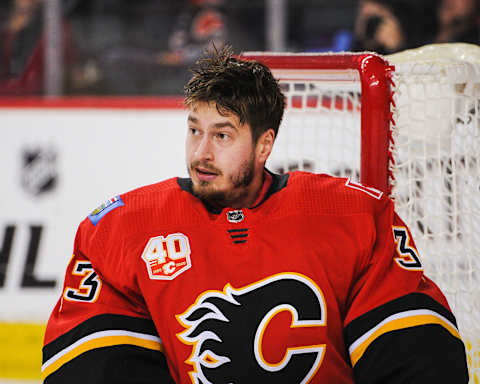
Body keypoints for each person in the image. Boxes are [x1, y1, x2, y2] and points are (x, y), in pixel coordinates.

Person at [41, 46, 469, 383]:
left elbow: (417, 355)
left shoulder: (353, 214)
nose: (201, 153)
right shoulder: (120, 228)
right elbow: (89, 366)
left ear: (265, 145)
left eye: (222, 135)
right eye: (194, 130)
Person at [351, 0, 439, 54]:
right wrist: (364, 42)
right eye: (361, 7)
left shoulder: (418, 27)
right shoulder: (348, 38)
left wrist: (396, 47)